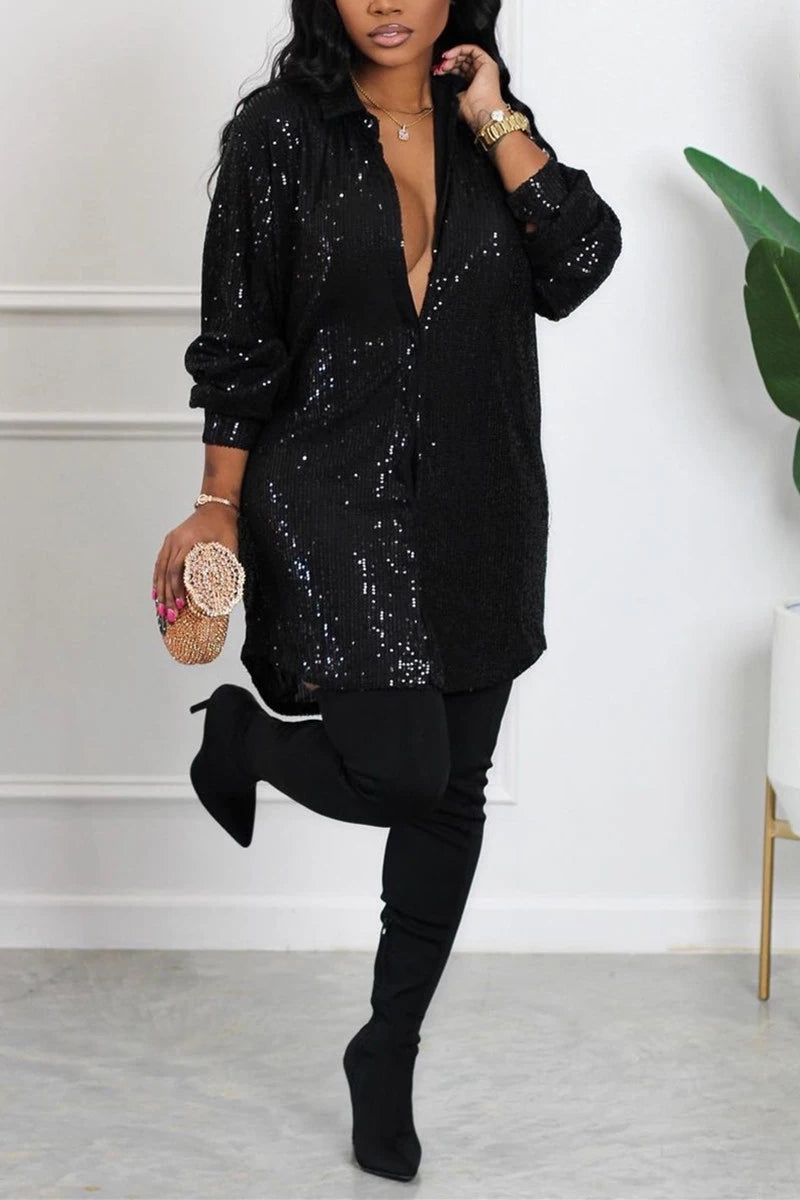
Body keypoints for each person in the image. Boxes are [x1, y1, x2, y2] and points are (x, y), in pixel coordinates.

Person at [152, 0, 622, 1183]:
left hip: (481, 505)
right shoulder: (279, 130)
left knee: (450, 793)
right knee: (403, 771)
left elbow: (577, 264)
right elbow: (240, 333)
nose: (387, 3)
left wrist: (495, 115)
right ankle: (246, 740)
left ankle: (386, 1050)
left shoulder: (483, 123)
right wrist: (216, 503)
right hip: (328, 492)